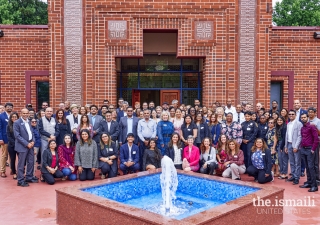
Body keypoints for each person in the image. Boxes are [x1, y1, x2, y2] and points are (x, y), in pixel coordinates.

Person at [14, 108, 37, 187]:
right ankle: (20, 180)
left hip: (30, 145)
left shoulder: (29, 122)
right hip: (22, 146)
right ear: (21, 113)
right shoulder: (17, 123)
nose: (25, 114)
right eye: (24, 113)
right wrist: (27, 144)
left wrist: (33, 141)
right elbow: (17, 136)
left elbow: (32, 133)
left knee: (31, 162)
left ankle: (29, 177)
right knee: (21, 164)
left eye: (26, 113)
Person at [299, 113, 319, 192]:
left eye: (304, 117)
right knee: (307, 167)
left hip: (310, 149)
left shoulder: (312, 126)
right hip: (303, 149)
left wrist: (313, 149)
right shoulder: (302, 128)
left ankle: (314, 186)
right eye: (302, 117)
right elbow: (302, 138)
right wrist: (301, 147)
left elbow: (316, 139)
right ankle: (309, 182)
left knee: (311, 167)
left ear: (307, 118)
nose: (303, 118)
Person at [284, 110, 302, 185]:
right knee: (291, 162)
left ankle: (297, 178)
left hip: (295, 145)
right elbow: (286, 135)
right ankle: (293, 175)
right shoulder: (288, 124)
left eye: (292, 114)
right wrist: (286, 146)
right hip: (289, 144)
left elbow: (300, 136)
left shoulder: (299, 124)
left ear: (295, 115)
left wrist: (296, 146)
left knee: (297, 162)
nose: (291, 115)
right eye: (290, 114)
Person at [0, 102, 13, 177]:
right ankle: (2, 171)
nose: (9, 108)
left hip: (13, 139)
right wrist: (0, 139)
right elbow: (0, 128)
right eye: (8, 107)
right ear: (5, 108)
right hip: (5, 139)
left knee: (12, 155)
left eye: (11, 107)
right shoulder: (1, 116)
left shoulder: (14, 116)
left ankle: (12, 169)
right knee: (4, 155)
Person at [307, 107, 320, 182]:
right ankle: (310, 179)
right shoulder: (307, 120)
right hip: (307, 143)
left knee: (315, 161)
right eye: (309, 112)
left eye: (312, 112)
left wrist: (313, 127)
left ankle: (317, 179)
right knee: (309, 161)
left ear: (315, 113)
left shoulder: (318, 121)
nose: (310, 113)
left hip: (315, 143)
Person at [6, 112, 19, 179]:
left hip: (20, 145)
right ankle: (14, 172)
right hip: (12, 146)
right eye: (13, 117)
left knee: (21, 159)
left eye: (15, 117)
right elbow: (9, 137)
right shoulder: (8, 126)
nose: (14, 118)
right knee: (13, 159)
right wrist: (15, 144)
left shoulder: (19, 125)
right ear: (11, 118)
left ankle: (20, 171)